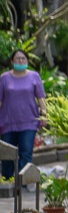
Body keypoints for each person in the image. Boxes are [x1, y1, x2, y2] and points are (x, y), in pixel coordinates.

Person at [0, 49, 47, 181]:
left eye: (23, 59)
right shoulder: (4, 78)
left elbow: (41, 97)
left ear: (27, 61)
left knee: (26, 153)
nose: (20, 61)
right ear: (12, 61)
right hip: (8, 122)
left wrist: (44, 114)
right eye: (18, 59)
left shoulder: (34, 76)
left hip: (29, 121)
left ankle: (22, 182)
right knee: (7, 154)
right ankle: (7, 180)